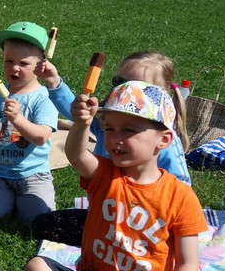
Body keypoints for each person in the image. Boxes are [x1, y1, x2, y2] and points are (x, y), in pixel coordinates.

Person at [22, 80, 206, 271]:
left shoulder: (181, 196)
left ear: (163, 139)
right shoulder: (105, 173)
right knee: (36, 266)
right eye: (109, 129)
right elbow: (76, 155)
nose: (115, 139)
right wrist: (82, 124)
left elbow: (189, 263)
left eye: (129, 130)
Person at [33, 50, 191, 244]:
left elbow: (182, 187)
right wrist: (54, 83)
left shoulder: (163, 141)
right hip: (103, 213)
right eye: (120, 83)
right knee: (44, 224)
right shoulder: (107, 122)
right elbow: (80, 122)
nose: (126, 92)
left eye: (138, 86)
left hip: (144, 224)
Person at [0, 22, 59, 223]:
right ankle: (3, 198)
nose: (14, 67)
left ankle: (22, 201)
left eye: (23, 63)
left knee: (38, 219)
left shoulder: (44, 97)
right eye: (9, 61)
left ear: (41, 65)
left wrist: (18, 119)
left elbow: (41, 137)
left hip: (32, 173)